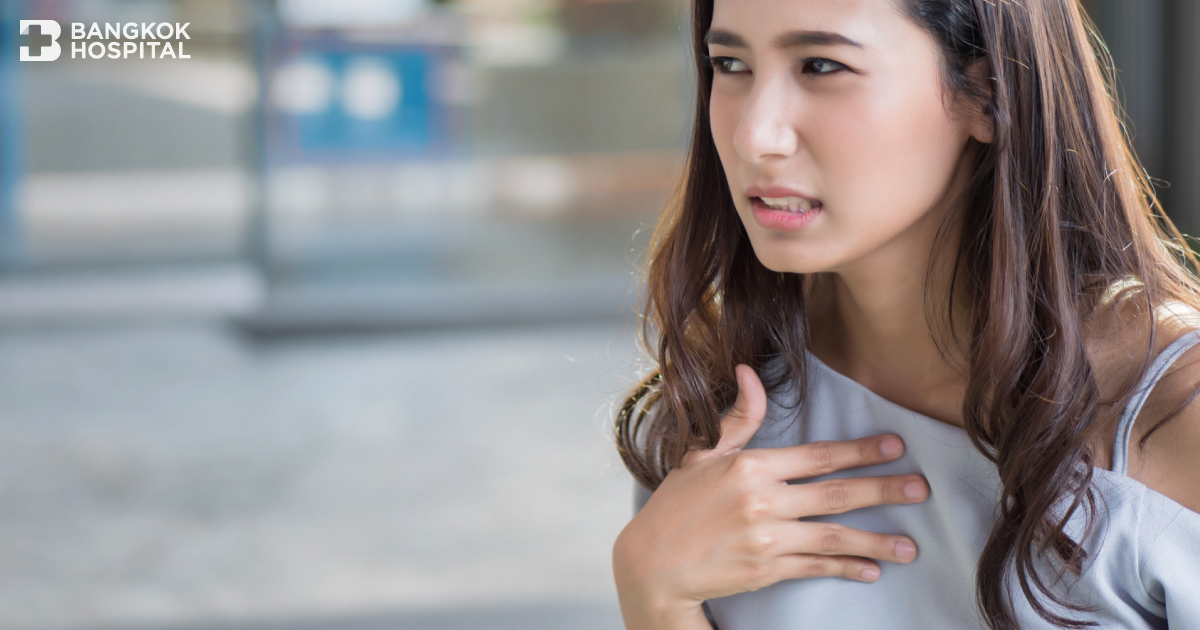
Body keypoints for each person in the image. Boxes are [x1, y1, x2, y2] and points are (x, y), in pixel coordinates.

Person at [610, 0, 1200, 629]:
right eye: (730, 63)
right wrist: (654, 593)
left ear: (985, 91)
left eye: (820, 64)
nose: (753, 134)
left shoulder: (1169, 418)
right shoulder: (721, 401)